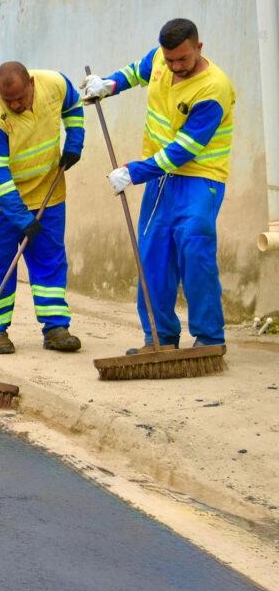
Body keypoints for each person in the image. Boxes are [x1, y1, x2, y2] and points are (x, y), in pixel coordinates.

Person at [80, 18, 235, 353]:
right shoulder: (160, 60)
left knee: (194, 250)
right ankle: (160, 338)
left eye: (183, 59)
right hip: (160, 178)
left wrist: (133, 172)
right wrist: (109, 84)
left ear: (198, 48)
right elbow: (137, 71)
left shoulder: (214, 88)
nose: (175, 66)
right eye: (170, 60)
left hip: (200, 178)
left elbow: (184, 150)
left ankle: (209, 338)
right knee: (153, 254)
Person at [0, 62, 85, 354]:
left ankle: (56, 328)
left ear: (31, 84)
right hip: (1, 205)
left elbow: (73, 105)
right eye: (8, 100)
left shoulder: (55, 84)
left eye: (20, 98)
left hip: (49, 193)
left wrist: (75, 140)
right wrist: (21, 218)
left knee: (50, 261)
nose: (15, 104)